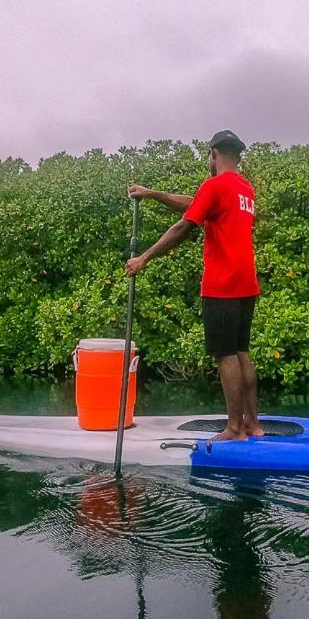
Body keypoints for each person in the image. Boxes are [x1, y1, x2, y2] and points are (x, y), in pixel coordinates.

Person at [125, 130, 262, 441]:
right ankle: (253, 423)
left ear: (213, 154)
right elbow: (198, 204)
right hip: (246, 284)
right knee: (241, 352)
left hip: (222, 285)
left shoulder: (215, 185)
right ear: (237, 156)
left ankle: (234, 429)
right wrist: (155, 194)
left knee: (225, 355)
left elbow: (184, 225)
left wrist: (144, 258)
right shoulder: (245, 189)